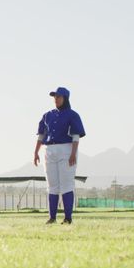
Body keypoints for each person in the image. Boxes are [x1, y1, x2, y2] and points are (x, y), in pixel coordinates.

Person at [33, 87, 86, 224]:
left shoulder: (72, 115)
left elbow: (75, 136)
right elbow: (41, 135)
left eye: (59, 97)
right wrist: (36, 152)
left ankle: (68, 218)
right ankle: (52, 217)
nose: (56, 99)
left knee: (67, 184)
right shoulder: (47, 115)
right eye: (54, 97)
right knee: (52, 185)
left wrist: (73, 153)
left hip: (66, 149)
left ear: (65, 98)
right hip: (49, 150)